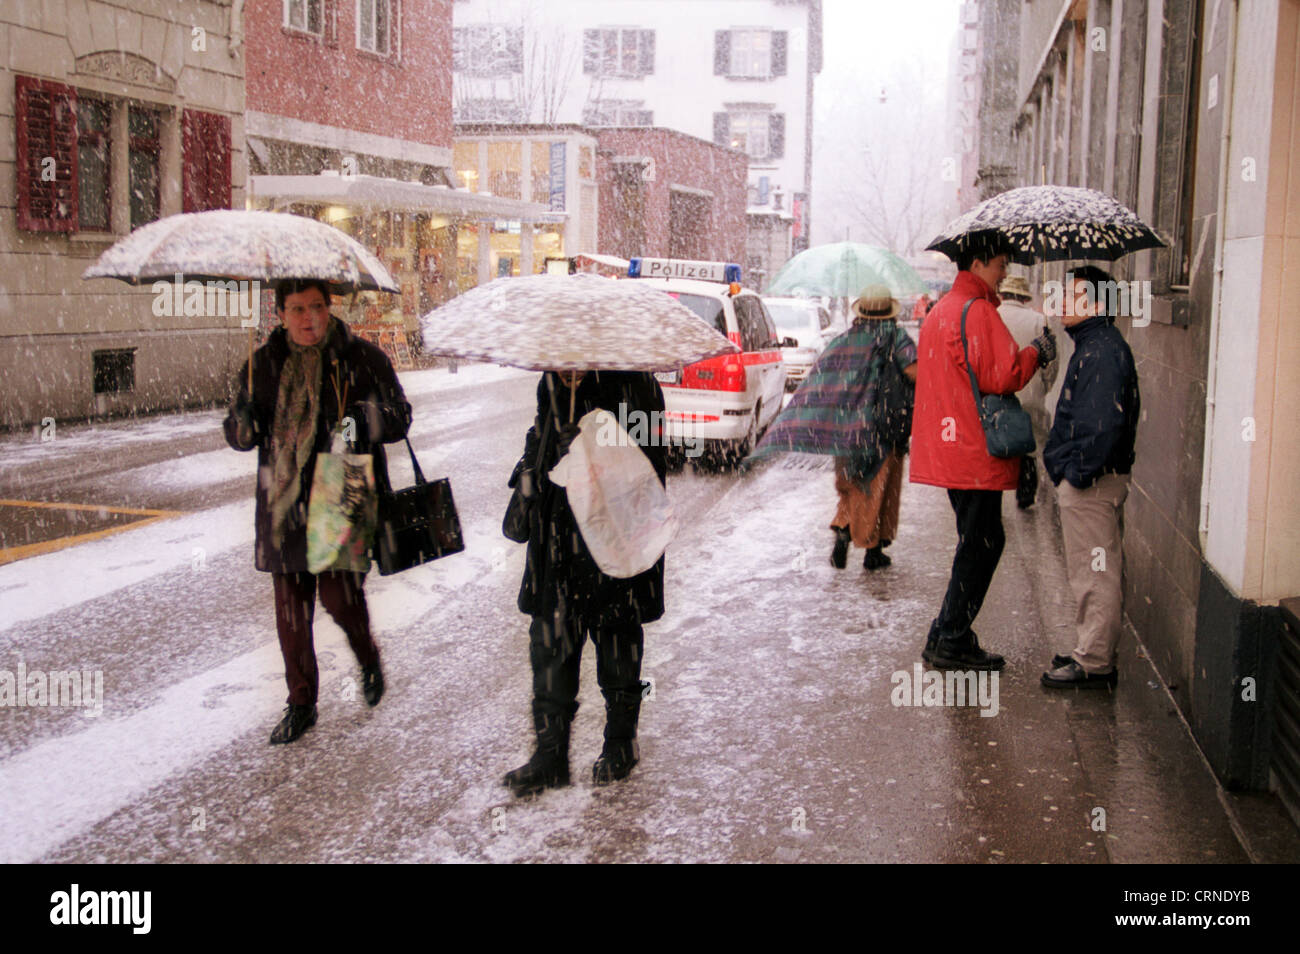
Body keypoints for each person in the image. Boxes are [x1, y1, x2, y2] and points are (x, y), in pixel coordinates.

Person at [224, 279, 412, 744]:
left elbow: (400, 416)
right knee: (291, 610)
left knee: (339, 598)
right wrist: (243, 424)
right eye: (297, 309)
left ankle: (367, 656)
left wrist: (360, 419)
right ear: (280, 314)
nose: (308, 319)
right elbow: (239, 433)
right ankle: (301, 702)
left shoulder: (362, 358)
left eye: (316, 307)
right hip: (283, 494)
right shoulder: (262, 365)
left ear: (329, 308)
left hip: (342, 485)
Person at [503, 370, 667, 796]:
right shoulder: (550, 384)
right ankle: (550, 755)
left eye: (577, 360)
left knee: (617, 647)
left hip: (613, 539)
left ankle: (620, 743)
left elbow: (649, 464)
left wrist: (591, 449)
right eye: (561, 360)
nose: (567, 367)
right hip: (556, 540)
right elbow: (539, 439)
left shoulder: (637, 385)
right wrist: (543, 452)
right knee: (550, 648)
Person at [908, 243, 1056, 671]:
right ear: (977, 263)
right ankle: (951, 638)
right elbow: (1003, 374)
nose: (1003, 271)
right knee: (984, 542)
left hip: (949, 446)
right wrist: (1037, 353)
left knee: (975, 541)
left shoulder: (942, 310)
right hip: (973, 449)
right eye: (999, 264)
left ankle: (947, 632)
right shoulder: (977, 311)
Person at [1040, 266, 1140, 689]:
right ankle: (1093, 649)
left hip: (1092, 483)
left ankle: (1095, 663)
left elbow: (1101, 427)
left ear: (1098, 305)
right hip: (1093, 479)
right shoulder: (1095, 344)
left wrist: (1074, 475)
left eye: (1073, 296)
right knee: (1094, 570)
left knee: (1095, 573)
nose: (1062, 302)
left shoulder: (1100, 351)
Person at [828, 285, 918, 571]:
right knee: (881, 487)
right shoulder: (897, 338)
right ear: (889, 312)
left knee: (852, 483)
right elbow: (914, 372)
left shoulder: (847, 339)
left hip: (847, 425)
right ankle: (873, 549)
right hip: (884, 425)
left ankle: (844, 527)